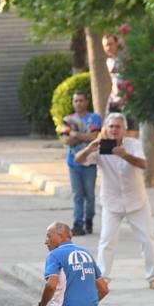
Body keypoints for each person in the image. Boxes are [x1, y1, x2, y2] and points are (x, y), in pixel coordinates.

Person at [75, 112, 154, 289]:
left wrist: (124, 155)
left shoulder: (133, 145)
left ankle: (153, 277)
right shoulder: (99, 147)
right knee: (106, 240)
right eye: (111, 126)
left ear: (124, 130)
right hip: (112, 202)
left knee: (147, 239)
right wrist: (88, 148)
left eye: (118, 127)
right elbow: (78, 160)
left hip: (136, 200)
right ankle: (102, 279)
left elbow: (143, 164)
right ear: (106, 129)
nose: (114, 130)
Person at [59, 90, 101, 235]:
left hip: (90, 163)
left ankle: (88, 221)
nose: (78, 103)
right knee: (77, 195)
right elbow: (66, 140)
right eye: (76, 101)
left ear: (86, 102)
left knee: (89, 195)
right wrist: (85, 137)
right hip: (73, 164)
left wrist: (76, 134)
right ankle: (77, 224)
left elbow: (95, 136)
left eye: (81, 100)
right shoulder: (67, 119)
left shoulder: (94, 118)